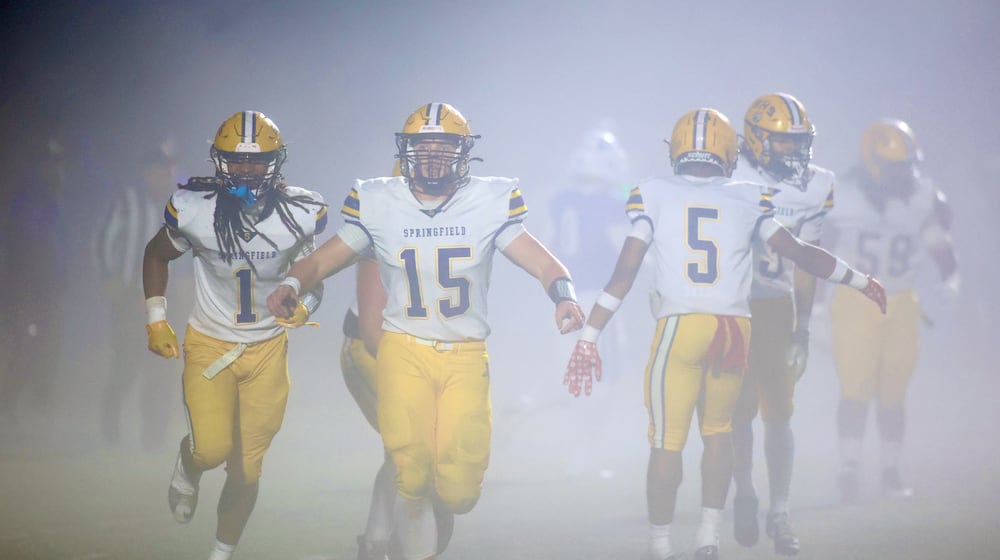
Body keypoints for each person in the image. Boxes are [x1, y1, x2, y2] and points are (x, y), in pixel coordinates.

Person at [562, 108, 887, 560]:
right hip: (735, 328)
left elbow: (624, 274)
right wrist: (860, 280)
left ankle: (661, 545)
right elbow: (801, 253)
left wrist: (589, 336)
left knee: (667, 442)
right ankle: (708, 537)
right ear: (730, 151)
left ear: (677, 149)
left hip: (681, 325)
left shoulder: (654, 192)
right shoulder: (748, 196)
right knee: (719, 433)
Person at [267, 102, 585, 560]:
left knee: (460, 491)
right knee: (411, 474)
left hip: (465, 354)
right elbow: (324, 259)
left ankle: (385, 537)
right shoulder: (380, 202)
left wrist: (564, 295)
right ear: (406, 152)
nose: (433, 156)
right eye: (424, 146)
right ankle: (383, 544)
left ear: (463, 152)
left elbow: (540, 259)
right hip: (404, 350)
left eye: (444, 146)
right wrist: (293, 283)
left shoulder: (487, 200)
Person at [142, 111, 327, 560]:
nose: (245, 170)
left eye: (256, 160)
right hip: (210, 343)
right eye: (236, 160)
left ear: (275, 163)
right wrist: (156, 318)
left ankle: (221, 553)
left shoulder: (297, 213)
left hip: (267, 350)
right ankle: (190, 462)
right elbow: (155, 253)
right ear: (219, 162)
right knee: (211, 450)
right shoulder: (197, 208)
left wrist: (304, 306)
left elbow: (314, 276)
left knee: (247, 469)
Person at [827, 118, 959, 502]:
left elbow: (938, 241)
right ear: (872, 163)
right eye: (893, 167)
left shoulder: (922, 197)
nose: (902, 174)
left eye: (905, 166)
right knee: (855, 388)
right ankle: (849, 469)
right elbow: (820, 252)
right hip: (856, 299)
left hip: (902, 301)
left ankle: (890, 471)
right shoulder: (844, 195)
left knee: (894, 391)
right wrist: (814, 309)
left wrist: (950, 277)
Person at [728, 93, 836, 555]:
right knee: (736, 415)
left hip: (775, 307)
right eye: (783, 141)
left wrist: (804, 327)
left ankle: (781, 512)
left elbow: (807, 262)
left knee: (779, 415)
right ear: (756, 139)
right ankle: (745, 492)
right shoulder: (728, 173)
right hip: (731, 307)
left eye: (798, 141)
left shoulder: (815, 185)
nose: (794, 152)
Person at [96, 143, 188, 451]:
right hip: (130, 297)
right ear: (145, 174)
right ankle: (110, 423)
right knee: (126, 363)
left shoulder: (179, 206)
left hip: (166, 299)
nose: (160, 178)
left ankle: (154, 437)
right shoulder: (127, 201)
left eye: (165, 172)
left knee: (162, 368)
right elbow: (104, 239)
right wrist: (110, 278)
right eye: (154, 172)